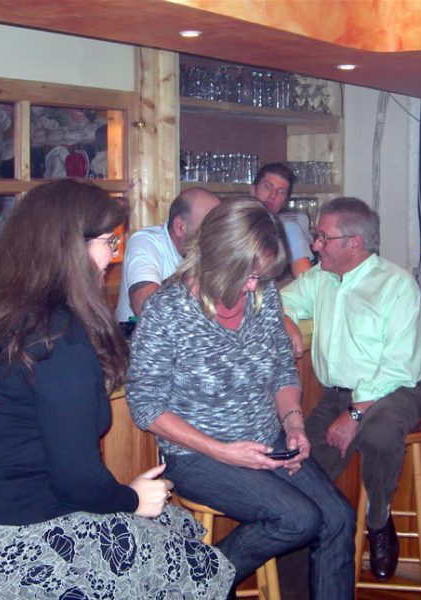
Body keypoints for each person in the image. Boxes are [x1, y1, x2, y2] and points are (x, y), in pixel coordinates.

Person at [0, 179, 234, 598]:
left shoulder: (11, 314)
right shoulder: (58, 337)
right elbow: (75, 479)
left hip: (10, 514)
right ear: (72, 248)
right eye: (109, 242)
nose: (114, 256)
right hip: (30, 536)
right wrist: (130, 499)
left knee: (179, 528)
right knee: (206, 566)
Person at [126, 197, 356, 599]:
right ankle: (195, 581)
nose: (254, 286)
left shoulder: (262, 297)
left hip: (267, 439)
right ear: (218, 256)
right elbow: (145, 405)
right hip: (197, 455)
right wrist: (223, 451)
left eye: (260, 276)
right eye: (248, 275)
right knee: (298, 519)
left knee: (338, 518)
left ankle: (197, 581)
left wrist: (294, 424)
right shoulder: (167, 310)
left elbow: (282, 370)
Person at [281, 197, 421, 582]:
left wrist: (355, 414)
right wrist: (287, 320)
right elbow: (276, 300)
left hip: (397, 390)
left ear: (355, 243)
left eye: (323, 237)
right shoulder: (321, 278)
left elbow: (398, 365)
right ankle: (294, 586)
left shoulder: (396, 285)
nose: (315, 245)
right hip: (335, 396)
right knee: (296, 470)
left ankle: (378, 519)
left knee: (379, 432)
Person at [116, 186, 219, 321]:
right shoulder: (145, 242)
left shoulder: (217, 250)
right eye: (208, 225)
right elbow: (146, 308)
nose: (217, 233)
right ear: (179, 227)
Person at [251, 162, 314, 277]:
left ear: (285, 202)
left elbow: (305, 280)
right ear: (253, 190)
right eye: (267, 187)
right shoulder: (234, 224)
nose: (272, 196)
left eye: (281, 192)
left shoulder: (289, 229)